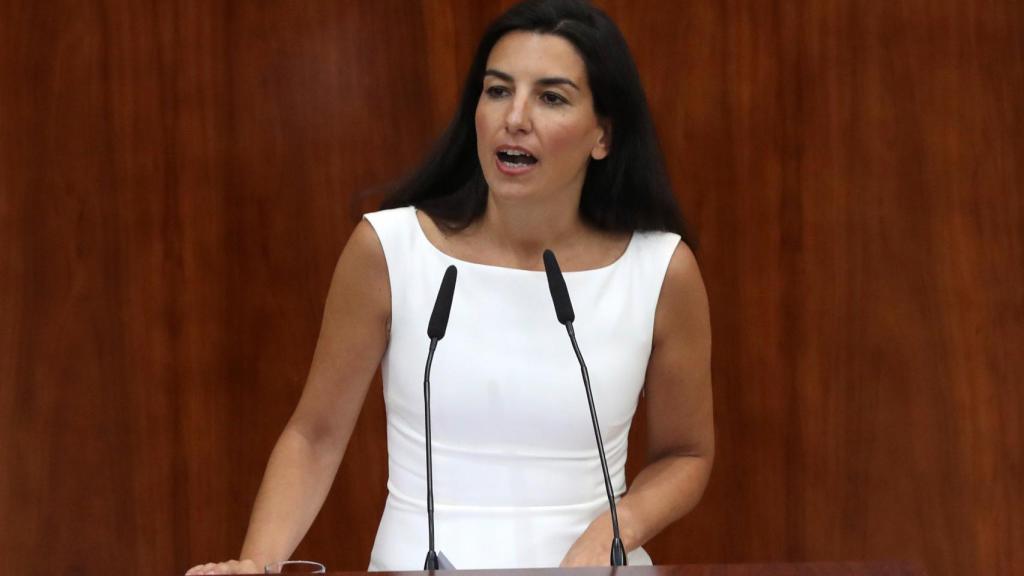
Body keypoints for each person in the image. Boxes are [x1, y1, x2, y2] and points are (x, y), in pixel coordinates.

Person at [186, 0, 712, 573]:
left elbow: (686, 452)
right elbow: (314, 436)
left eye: (551, 97)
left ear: (603, 135)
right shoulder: (389, 250)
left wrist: (615, 529)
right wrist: (255, 565)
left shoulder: (660, 269)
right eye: (497, 90)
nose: (516, 117)